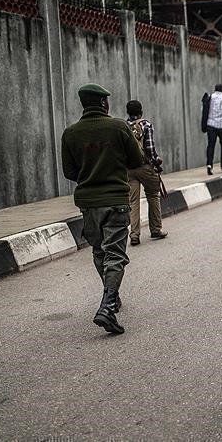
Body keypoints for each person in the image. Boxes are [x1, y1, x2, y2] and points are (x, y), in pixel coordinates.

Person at [61, 83, 145, 335]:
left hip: (88, 204)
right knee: (115, 254)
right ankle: (107, 306)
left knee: (99, 251)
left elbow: (69, 172)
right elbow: (137, 161)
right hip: (116, 201)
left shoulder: (70, 133)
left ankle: (112, 296)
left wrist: (90, 174)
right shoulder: (119, 127)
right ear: (103, 103)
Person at [125, 100, 168, 246]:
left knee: (133, 201)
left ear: (128, 112)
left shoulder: (123, 126)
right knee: (153, 195)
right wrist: (157, 161)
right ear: (141, 112)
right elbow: (150, 148)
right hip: (145, 167)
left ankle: (134, 235)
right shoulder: (146, 124)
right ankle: (156, 229)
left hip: (129, 169)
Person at [202, 84, 222, 175]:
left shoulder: (210, 97)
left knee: (211, 145)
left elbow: (205, 109)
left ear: (215, 89)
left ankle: (209, 164)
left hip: (210, 125)